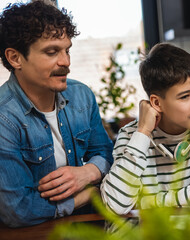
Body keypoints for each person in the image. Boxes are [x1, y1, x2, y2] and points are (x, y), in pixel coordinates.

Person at [0, 1, 113, 227]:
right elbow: (18, 210)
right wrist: (89, 194)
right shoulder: (4, 118)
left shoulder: (82, 96)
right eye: (52, 52)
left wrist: (90, 172)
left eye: (67, 50)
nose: (66, 62)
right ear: (15, 58)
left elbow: (107, 154)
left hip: (93, 225)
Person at [101, 43, 190, 216]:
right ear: (157, 103)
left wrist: (154, 201)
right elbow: (115, 205)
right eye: (185, 96)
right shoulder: (131, 135)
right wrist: (143, 132)